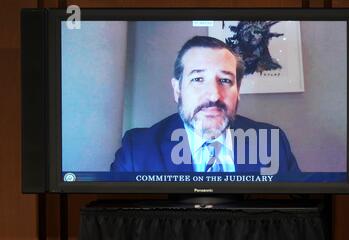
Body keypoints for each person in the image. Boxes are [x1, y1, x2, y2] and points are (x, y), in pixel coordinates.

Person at [110, 36, 300, 175]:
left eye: (225, 80)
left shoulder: (272, 143)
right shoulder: (137, 149)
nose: (214, 95)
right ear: (177, 90)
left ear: (238, 90)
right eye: (198, 79)